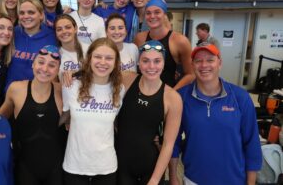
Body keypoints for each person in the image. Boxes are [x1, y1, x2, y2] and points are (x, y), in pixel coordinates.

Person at [169, 43, 262, 185]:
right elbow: (173, 142)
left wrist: (251, 183)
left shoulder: (240, 98)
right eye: (198, 61)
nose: (204, 65)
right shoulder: (181, 97)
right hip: (193, 180)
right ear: (192, 65)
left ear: (220, 63)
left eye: (210, 60)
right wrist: (173, 177)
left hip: (234, 180)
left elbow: (252, 144)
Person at [117, 40, 182, 185]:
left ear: (164, 63)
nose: (151, 66)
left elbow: (168, 145)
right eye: (145, 61)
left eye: (157, 61)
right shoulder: (126, 79)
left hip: (151, 168)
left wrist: (154, 180)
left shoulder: (173, 98)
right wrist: (73, 74)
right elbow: (97, 79)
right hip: (120, 167)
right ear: (138, 62)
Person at [62, 38, 125, 185]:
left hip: (106, 167)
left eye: (109, 58)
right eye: (97, 57)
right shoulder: (71, 86)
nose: (102, 62)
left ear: (116, 62)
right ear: (89, 58)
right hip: (74, 166)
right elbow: (66, 117)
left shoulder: (119, 90)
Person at [0, 45, 64, 185]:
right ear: (33, 64)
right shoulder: (16, 89)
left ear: (58, 70)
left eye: (52, 65)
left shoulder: (63, 92)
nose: (45, 69)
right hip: (25, 168)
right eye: (41, 62)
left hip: (56, 169)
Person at [134, 0, 194, 90]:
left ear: (164, 14)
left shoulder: (180, 41)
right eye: (148, 13)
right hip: (142, 94)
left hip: (167, 97)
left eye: (157, 12)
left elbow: (191, 74)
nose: (152, 16)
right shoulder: (139, 38)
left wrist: (171, 93)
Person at [6, 0, 57, 88]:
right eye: (22, 13)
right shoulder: (12, 33)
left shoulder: (52, 37)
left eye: (31, 12)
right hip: (11, 94)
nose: (25, 16)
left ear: (41, 15)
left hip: (39, 96)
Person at [54, 14, 88, 80]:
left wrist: (76, 73)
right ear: (56, 33)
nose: (64, 31)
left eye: (68, 27)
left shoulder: (89, 49)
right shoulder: (55, 54)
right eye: (59, 29)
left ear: (75, 29)